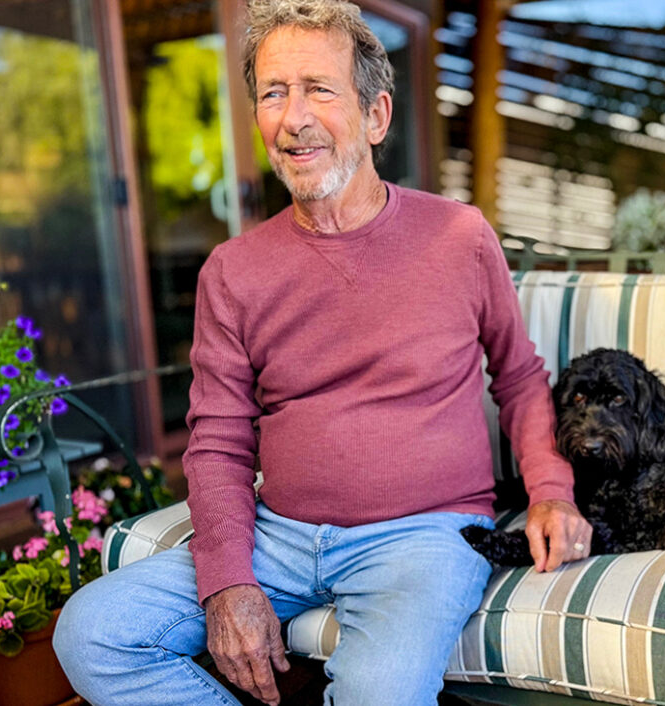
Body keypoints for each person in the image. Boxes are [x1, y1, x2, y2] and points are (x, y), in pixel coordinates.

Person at [52, 1, 591, 704]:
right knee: (92, 632)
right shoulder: (233, 269)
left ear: (376, 117)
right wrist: (229, 579)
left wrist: (550, 490)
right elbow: (217, 440)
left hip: (423, 536)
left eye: (318, 89)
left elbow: (518, 378)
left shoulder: (460, 236)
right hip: (277, 535)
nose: (293, 117)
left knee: (379, 692)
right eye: (273, 93)